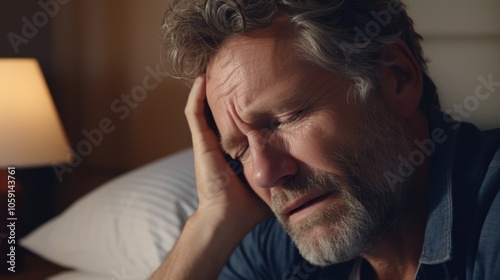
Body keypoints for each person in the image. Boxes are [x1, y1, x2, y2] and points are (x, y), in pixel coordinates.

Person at [151, 0, 500, 279]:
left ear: (397, 78)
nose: (264, 174)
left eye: (286, 119)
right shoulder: (280, 254)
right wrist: (212, 220)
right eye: (240, 149)